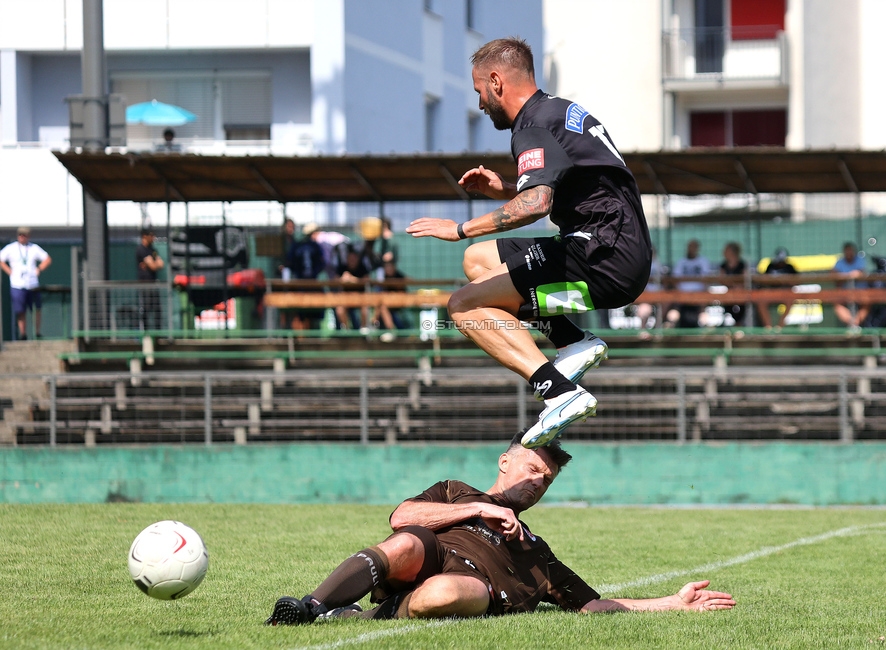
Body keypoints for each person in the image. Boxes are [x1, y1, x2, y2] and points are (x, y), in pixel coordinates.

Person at [406, 37, 652, 450]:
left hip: (602, 253)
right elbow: (566, 187)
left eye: (479, 91)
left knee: (462, 305)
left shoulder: (533, 126)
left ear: (497, 82)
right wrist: (504, 188)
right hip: (615, 248)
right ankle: (573, 342)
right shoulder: (556, 112)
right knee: (478, 261)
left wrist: (459, 228)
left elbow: (537, 203)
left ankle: (559, 393)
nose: (480, 104)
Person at [265, 433, 736, 625]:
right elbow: (402, 518)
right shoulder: (456, 490)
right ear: (505, 460)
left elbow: (592, 605)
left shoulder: (538, 551)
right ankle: (310, 606)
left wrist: (672, 603)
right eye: (532, 468)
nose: (537, 481)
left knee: (445, 594)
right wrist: (475, 512)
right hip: (425, 551)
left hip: (474, 585)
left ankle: (356, 620)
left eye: (546, 480)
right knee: (407, 542)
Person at [0, 227, 52, 340]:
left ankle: (37, 333)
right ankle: (23, 334)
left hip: (32, 284)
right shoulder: (11, 248)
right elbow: (1, 259)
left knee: (36, 308)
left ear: (28, 236)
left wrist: (39, 269)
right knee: (20, 310)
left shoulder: (34, 248)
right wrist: (9, 271)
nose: (22, 237)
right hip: (17, 284)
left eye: (24, 235)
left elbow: (47, 259)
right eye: (20, 235)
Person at [285, 223, 327, 330]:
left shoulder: (297, 245)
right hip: (310, 285)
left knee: (304, 314)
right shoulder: (315, 246)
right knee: (303, 314)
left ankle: (304, 339)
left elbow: (290, 264)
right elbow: (321, 264)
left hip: (302, 285)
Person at [669, 239, 710, 328]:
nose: (691, 249)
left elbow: (706, 280)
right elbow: (675, 280)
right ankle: (670, 325)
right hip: (682, 295)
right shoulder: (681, 262)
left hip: (699, 294)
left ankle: (706, 327)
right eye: (690, 247)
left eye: (694, 247)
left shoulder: (703, 261)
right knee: (674, 310)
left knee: (702, 309)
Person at [755, 247, 798, 329]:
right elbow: (764, 280)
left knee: (790, 301)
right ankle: (768, 327)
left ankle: (780, 327)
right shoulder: (771, 266)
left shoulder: (789, 267)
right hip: (772, 293)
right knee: (760, 301)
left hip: (785, 294)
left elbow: (796, 281)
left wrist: (784, 281)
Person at [832, 242, 869, 328]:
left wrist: (856, 274)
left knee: (867, 302)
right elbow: (834, 275)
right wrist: (845, 275)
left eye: (850, 250)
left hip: (860, 291)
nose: (849, 253)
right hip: (845, 292)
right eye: (847, 251)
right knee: (837, 303)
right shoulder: (840, 262)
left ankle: (856, 323)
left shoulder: (860, 260)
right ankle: (852, 323)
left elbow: (862, 272)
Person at [135, 228, 165, 331]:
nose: (153, 238)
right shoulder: (141, 249)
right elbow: (153, 265)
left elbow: (160, 264)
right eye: (151, 235)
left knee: (157, 309)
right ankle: (146, 332)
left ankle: (158, 333)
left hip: (153, 284)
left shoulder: (152, 250)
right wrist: (152, 264)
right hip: (145, 284)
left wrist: (152, 264)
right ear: (144, 236)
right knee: (146, 308)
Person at [719, 241, 747, 326]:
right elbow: (722, 279)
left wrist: (736, 286)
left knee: (741, 302)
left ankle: (739, 324)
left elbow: (744, 280)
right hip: (728, 293)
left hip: (740, 293)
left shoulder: (742, 264)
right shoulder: (723, 265)